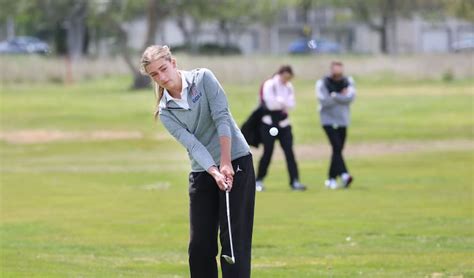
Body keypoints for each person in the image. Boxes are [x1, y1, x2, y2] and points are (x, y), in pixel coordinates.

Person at [140, 45, 255, 278]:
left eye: (163, 69)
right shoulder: (165, 111)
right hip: (203, 170)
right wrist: (214, 171)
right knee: (200, 246)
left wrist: (225, 162)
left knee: (233, 240)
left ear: (173, 63)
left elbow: (222, 117)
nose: (162, 77)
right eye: (154, 74)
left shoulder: (203, 78)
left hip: (236, 160)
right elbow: (193, 145)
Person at [255, 65, 306, 192]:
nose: (286, 80)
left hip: (284, 125)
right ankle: (258, 180)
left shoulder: (288, 86)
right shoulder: (269, 84)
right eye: (285, 77)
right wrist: (282, 102)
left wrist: (280, 102)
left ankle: (295, 181)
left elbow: (292, 104)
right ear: (281, 74)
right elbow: (271, 104)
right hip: (268, 124)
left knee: (290, 153)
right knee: (268, 153)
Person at [316, 61, 355, 189]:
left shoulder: (348, 81)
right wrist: (339, 96)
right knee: (336, 146)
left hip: (342, 120)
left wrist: (333, 96)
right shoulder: (323, 82)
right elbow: (324, 101)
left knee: (337, 149)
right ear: (331, 70)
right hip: (327, 120)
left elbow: (350, 98)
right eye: (336, 70)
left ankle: (331, 179)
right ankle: (344, 174)